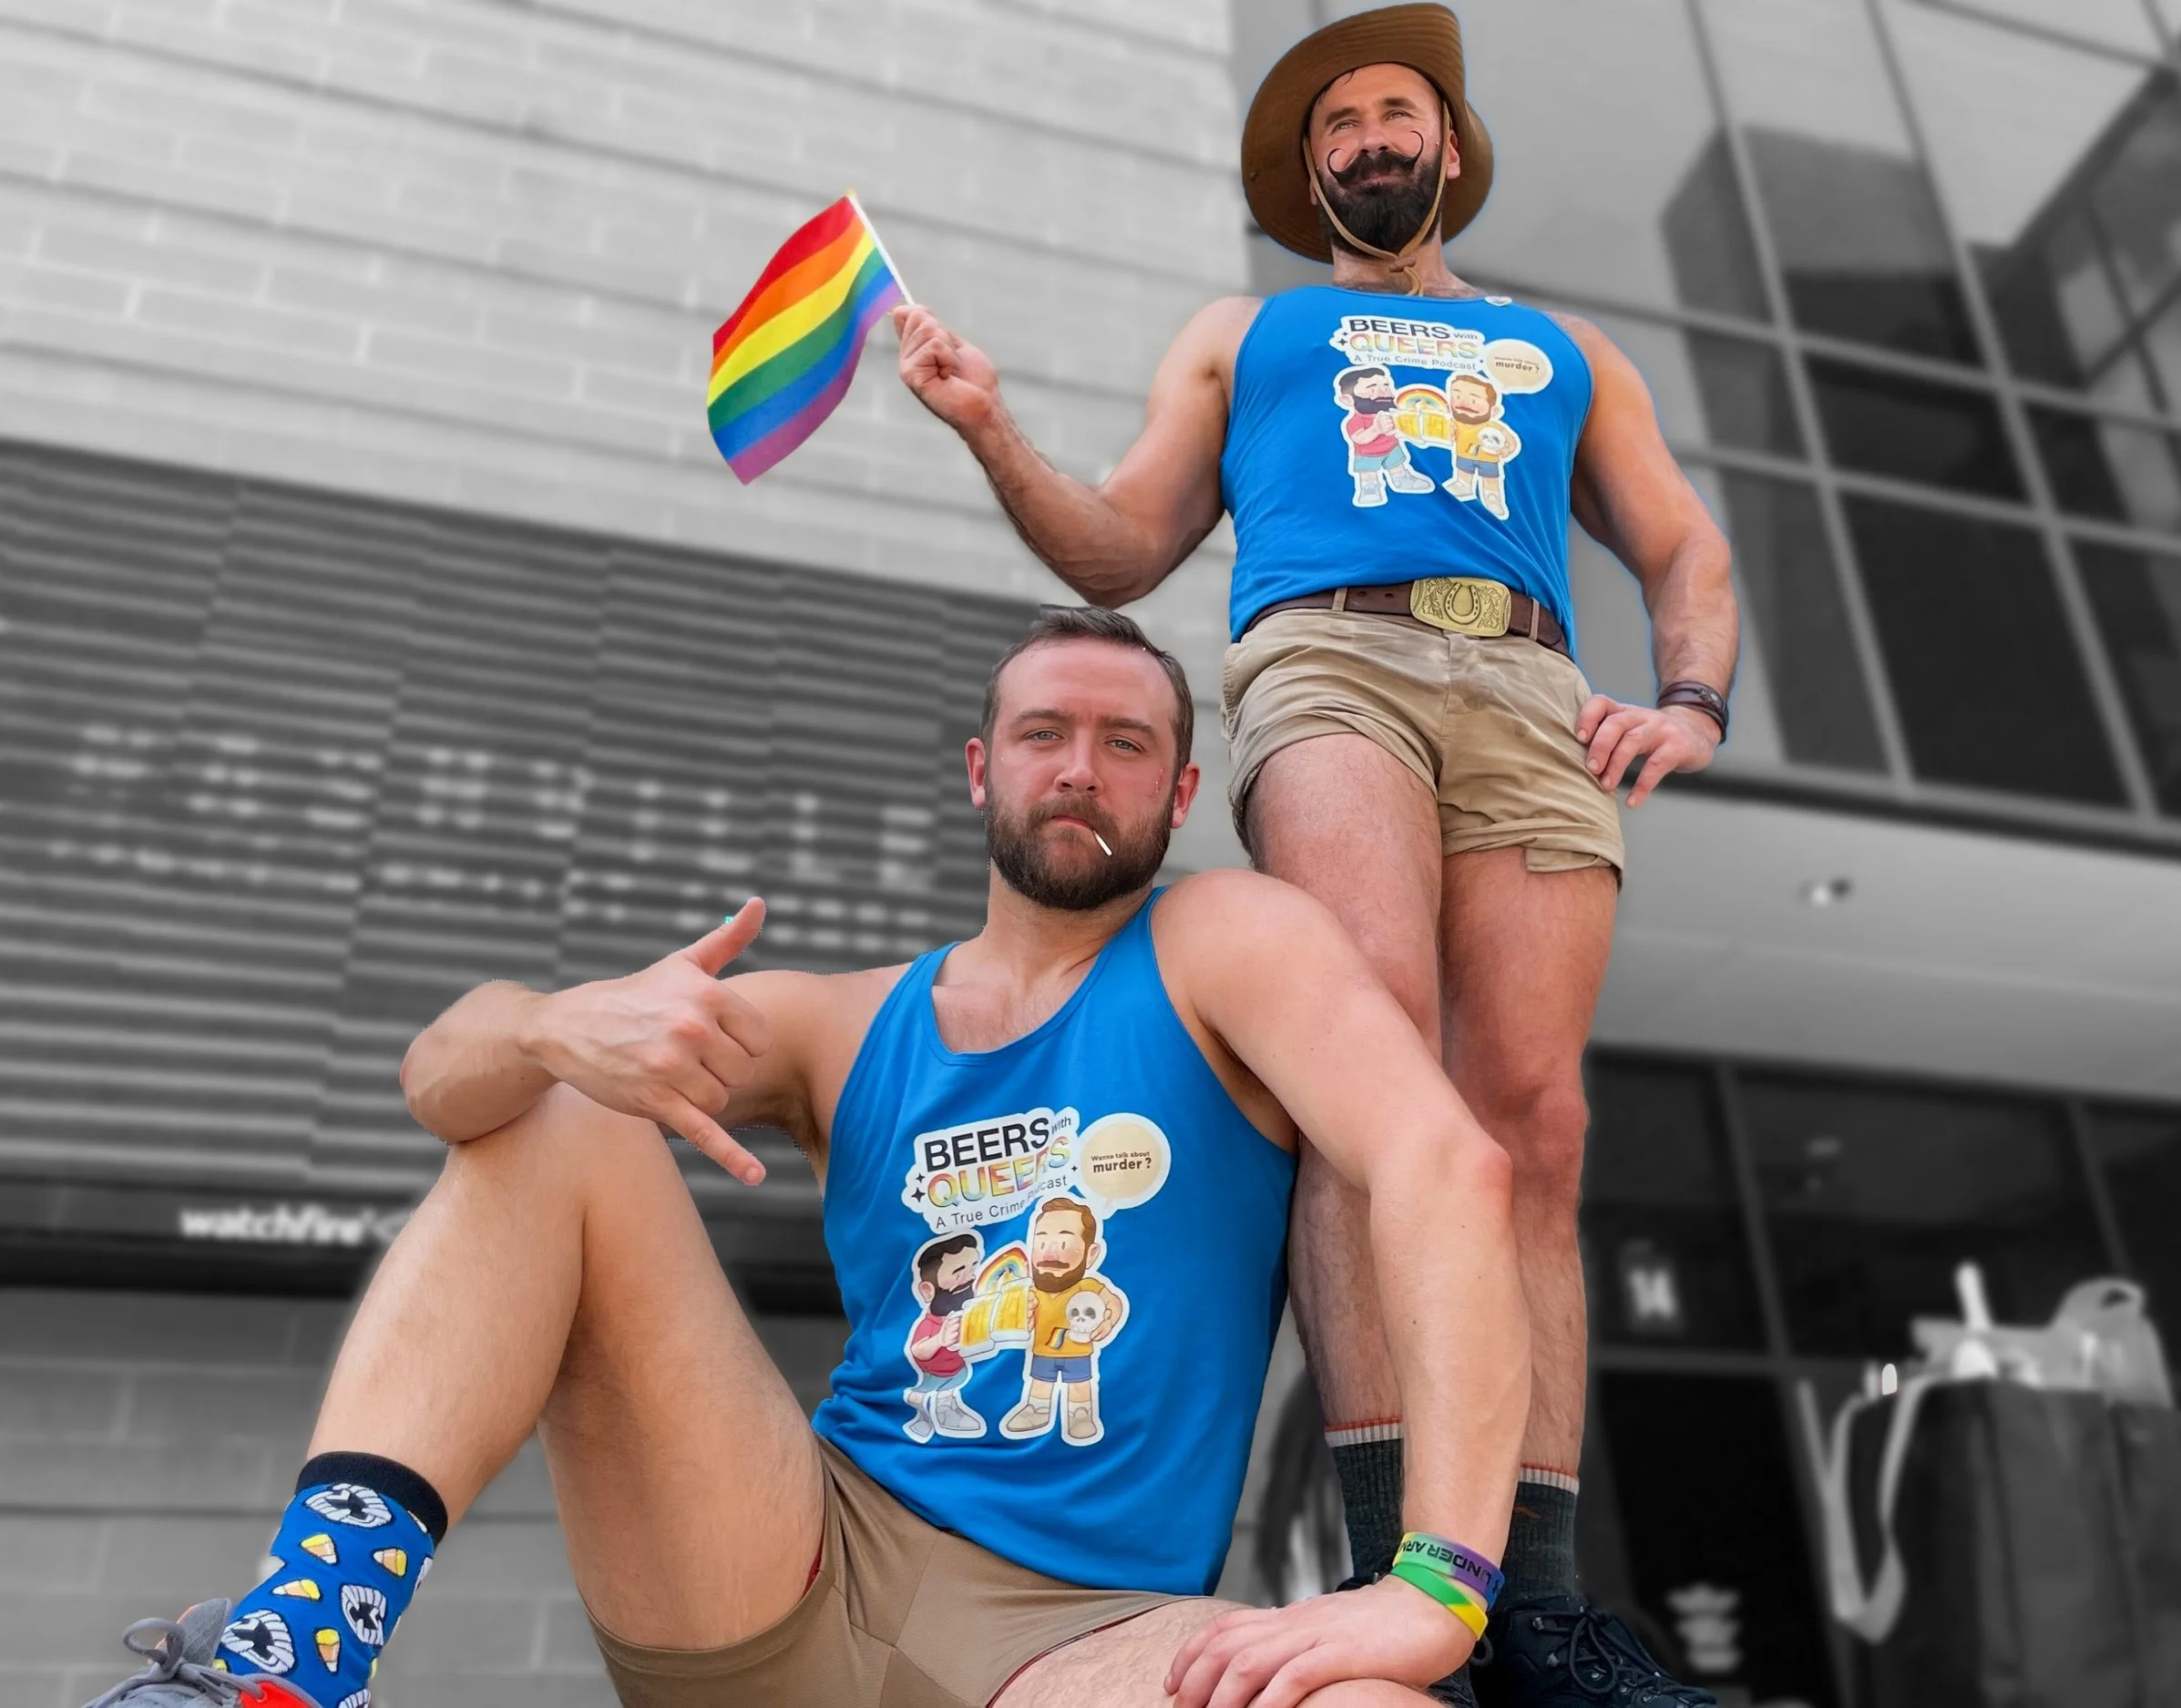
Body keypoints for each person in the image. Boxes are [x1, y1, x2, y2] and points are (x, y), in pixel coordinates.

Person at [80, 609, 1531, 1708]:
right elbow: (439, 1077)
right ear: (982, 768)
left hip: (1086, 1639)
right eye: (1044, 733)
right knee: (561, 1101)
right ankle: (290, 1652)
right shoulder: (848, 1028)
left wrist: (1442, 1582)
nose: (1080, 767)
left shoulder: (1224, 942)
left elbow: (1442, 1168)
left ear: (1182, 788)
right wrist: (545, 1020)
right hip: (794, 1562)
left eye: (1126, 740)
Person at [890, 6, 1737, 1703]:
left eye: (1393, 113)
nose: (1365, 137)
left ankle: (1541, 1602)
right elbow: (1126, 543)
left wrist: (1693, 695)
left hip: (1527, 678)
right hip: (1327, 657)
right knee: (1375, 1070)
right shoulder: (1245, 332)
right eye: (1336, 122)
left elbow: (1679, 537)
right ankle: (1390, 1553)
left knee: (1534, 1121)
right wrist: (988, 426)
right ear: (1309, 171)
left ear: (1446, 146)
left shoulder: (1566, 350)